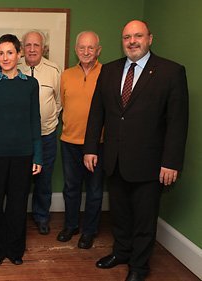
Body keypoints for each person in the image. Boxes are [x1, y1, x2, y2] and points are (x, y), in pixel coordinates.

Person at [84, 20, 188, 281]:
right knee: (119, 214)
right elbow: (97, 112)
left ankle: (139, 267)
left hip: (150, 163)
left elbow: (177, 122)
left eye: (138, 36)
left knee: (144, 219)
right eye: (127, 37)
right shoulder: (108, 70)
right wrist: (90, 148)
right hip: (115, 159)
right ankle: (121, 252)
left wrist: (171, 162)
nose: (132, 41)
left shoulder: (170, 72)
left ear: (150, 38)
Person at [0, 34, 42, 266]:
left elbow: (35, 120)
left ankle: (15, 249)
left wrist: (38, 154)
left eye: (10, 52)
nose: (5, 57)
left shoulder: (30, 84)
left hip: (23, 155)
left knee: (17, 205)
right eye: (1, 53)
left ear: (19, 54)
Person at [57, 31, 104, 249]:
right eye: (82, 48)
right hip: (69, 141)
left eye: (91, 48)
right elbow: (63, 104)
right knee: (71, 187)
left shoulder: (107, 74)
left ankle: (89, 231)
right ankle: (71, 225)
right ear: (76, 50)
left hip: (97, 144)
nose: (86, 52)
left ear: (98, 50)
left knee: (94, 190)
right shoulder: (66, 75)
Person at [18, 30, 62, 235]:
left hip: (46, 135)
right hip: (20, 138)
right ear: (22, 47)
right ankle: (17, 218)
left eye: (37, 45)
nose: (32, 49)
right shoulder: (14, 67)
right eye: (28, 45)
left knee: (43, 179)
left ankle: (41, 216)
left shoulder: (54, 70)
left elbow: (59, 102)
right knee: (19, 179)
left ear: (43, 48)